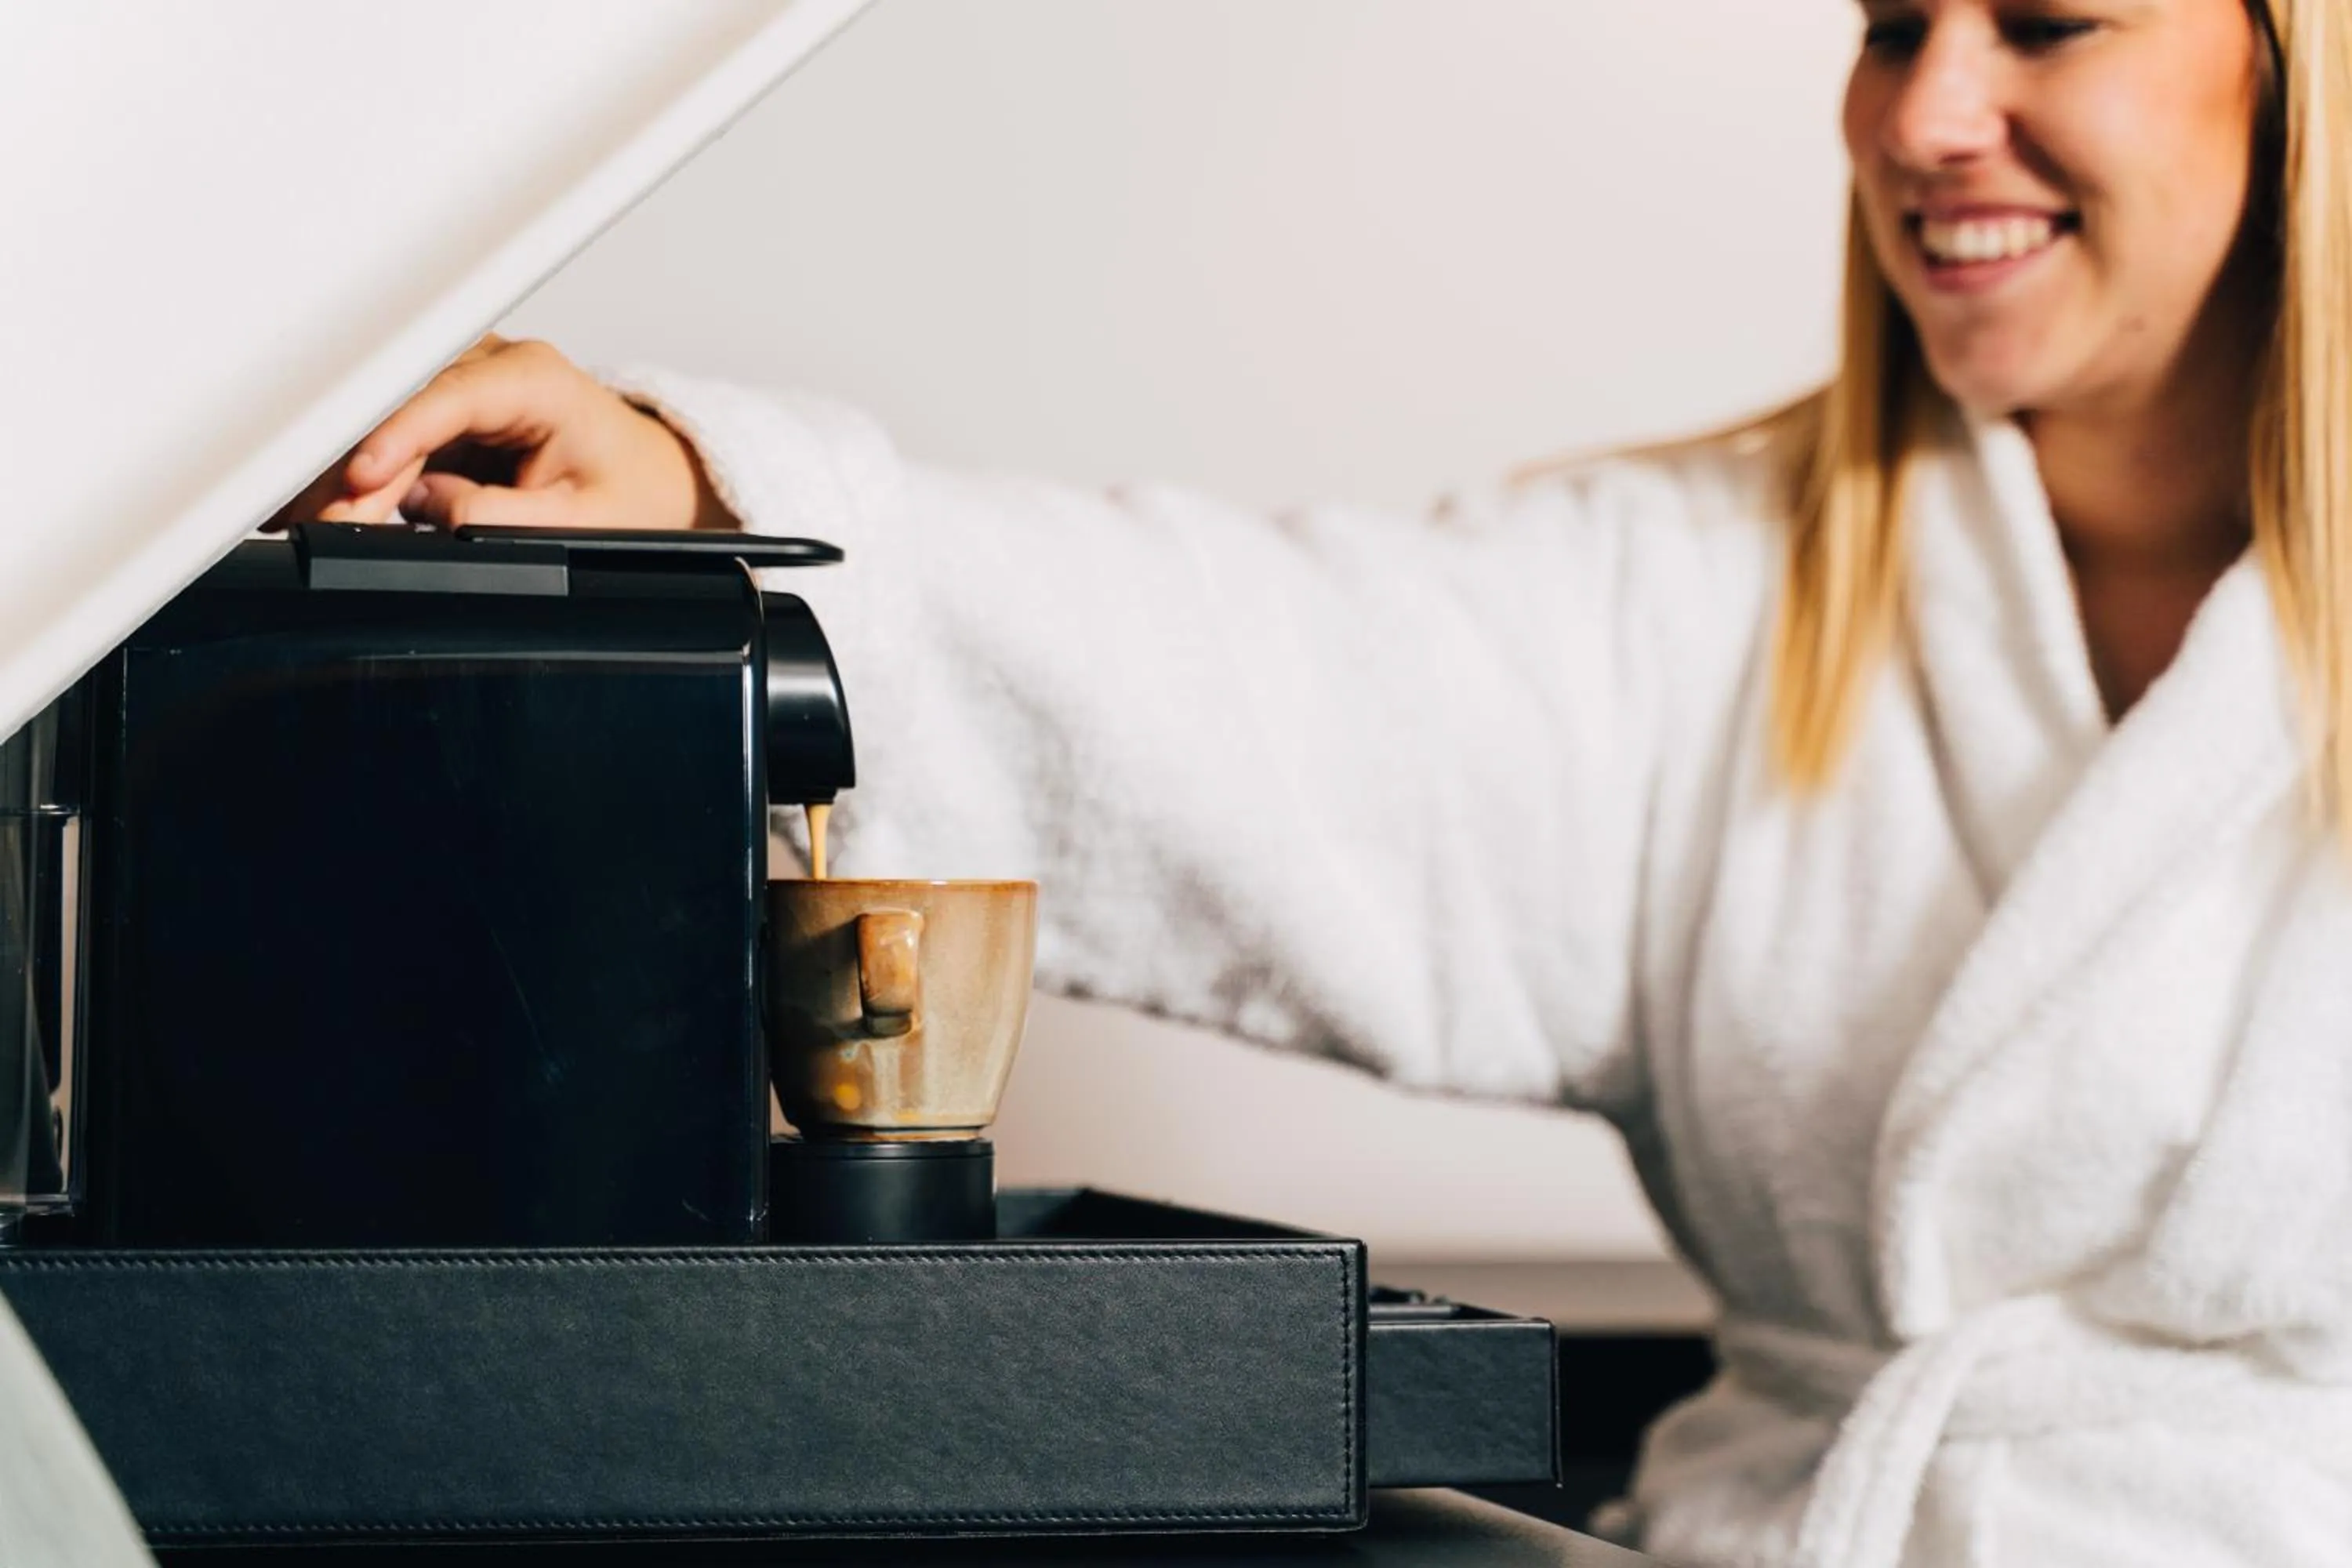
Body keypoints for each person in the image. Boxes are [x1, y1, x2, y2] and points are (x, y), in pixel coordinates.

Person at [286, 2, 2352, 1563]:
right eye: (1894, 22)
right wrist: (707, 497)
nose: (1916, 114)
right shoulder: (1718, 594)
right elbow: (1249, 683)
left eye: (2048, 20)